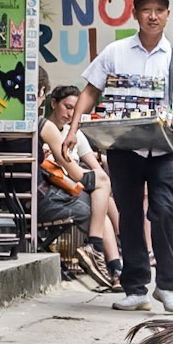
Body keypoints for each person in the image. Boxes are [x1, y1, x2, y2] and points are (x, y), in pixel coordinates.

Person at [65, 0, 173, 315]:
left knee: (165, 212)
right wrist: (73, 130)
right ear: (135, 14)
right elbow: (89, 92)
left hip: (164, 152)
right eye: (146, 10)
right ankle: (136, 287)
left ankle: (167, 286)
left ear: (167, 15)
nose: (153, 16)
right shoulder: (116, 52)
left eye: (159, 10)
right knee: (128, 216)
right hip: (124, 148)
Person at [41, 86, 123, 285]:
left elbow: (95, 169)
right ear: (53, 103)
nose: (70, 114)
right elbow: (78, 172)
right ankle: (115, 263)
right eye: (67, 107)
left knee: (102, 195)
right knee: (101, 204)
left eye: (75, 110)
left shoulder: (73, 133)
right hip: (57, 188)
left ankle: (114, 264)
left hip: (75, 186)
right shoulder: (47, 129)